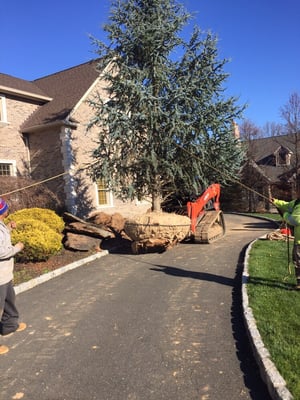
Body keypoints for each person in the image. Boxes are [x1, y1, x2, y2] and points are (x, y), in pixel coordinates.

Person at [0, 198, 26, 355]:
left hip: (5, 274)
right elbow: (1, 251)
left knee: (10, 301)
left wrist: (8, 228)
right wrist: (17, 248)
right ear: (3, 212)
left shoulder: (1, 224)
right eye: (6, 209)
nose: (8, 211)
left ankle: (9, 326)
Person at [272, 194, 300, 290]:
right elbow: (287, 205)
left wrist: (285, 215)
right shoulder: (297, 202)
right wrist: (276, 201)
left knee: (298, 261)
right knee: (297, 260)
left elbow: (294, 220)